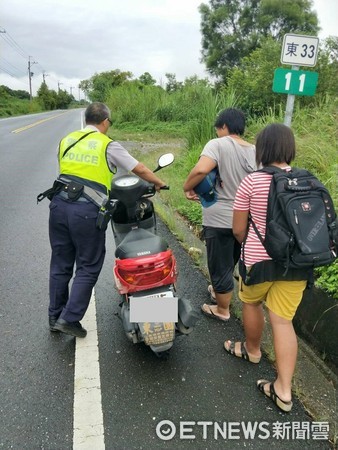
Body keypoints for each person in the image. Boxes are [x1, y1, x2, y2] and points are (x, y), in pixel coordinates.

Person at [47, 102, 167, 338]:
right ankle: (69, 319)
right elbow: (139, 168)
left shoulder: (67, 140)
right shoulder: (107, 144)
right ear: (105, 122)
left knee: (60, 264)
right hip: (85, 210)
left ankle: (55, 315)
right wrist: (159, 183)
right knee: (89, 265)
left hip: (59, 205)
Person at [224, 123, 313, 412]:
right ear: (290, 148)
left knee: (251, 304)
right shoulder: (308, 180)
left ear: (261, 149)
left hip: (258, 262)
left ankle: (251, 351)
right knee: (283, 322)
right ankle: (283, 390)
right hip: (297, 264)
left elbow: (238, 229)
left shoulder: (252, 181)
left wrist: (250, 242)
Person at [183, 108, 256, 321]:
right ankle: (220, 291)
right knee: (231, 259)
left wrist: (187, 186)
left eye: (218, 129)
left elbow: (200, 170)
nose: (217, 133)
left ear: (224, 126)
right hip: (246, 217)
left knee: (218, 264)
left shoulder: (217, 144)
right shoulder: (255, 150)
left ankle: (222, 309)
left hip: (220, 217)